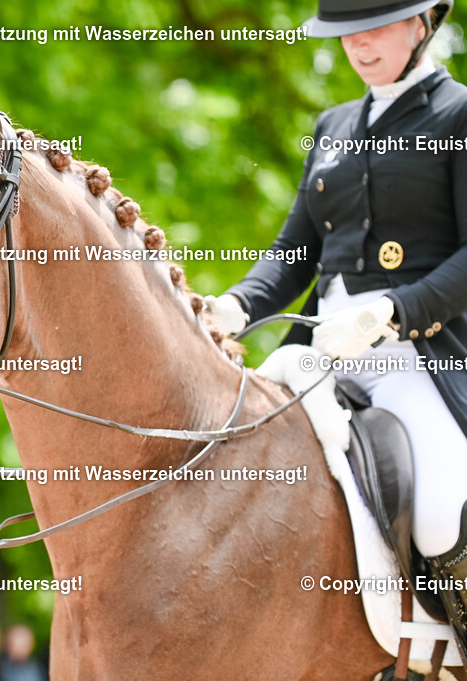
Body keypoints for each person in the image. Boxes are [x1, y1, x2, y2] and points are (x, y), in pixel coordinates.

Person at [203, 0, 467, 664]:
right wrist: (236, 305)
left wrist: (393, 312)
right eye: (349, 31)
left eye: (376, 26)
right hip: (320, 353)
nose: (360, 43)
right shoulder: (334, 125)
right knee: (229, 461)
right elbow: (296, 251)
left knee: (438, 509)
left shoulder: (458, 115)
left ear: (425, 21)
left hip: (418, 358)